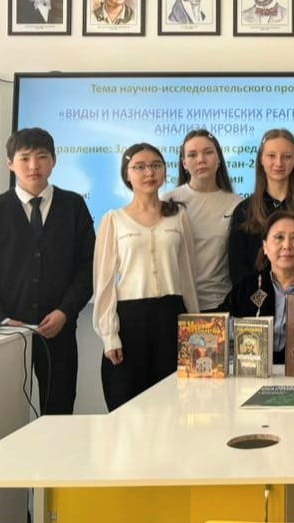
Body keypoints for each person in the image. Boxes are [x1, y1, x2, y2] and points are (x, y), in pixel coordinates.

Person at [0, 128, 95, 415]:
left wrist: (65, 311)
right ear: (10, 164)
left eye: (42, 157)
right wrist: (0, 319)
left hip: (59, 330)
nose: (33, 166)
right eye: (24, 158)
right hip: (6, 334)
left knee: (59, 409)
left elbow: (88, 267)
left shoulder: (73, 206)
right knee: (2, 412)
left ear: (54, 161)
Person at [93, 143, 199, 411]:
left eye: (155, 165)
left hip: (172, 317)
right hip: (131, 321)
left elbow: (187, 276)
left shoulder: (178, 216)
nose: (149, 172)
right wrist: (109, 336)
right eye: (139, 167)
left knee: (174, 405)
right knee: (128, 405)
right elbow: (104, 283)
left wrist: (195, 327)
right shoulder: (114, 219)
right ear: (127, 174)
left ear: (164, 171)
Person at [225, 211, 294, 362]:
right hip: (254, 373)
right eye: (279, 237)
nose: (287, 246)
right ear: (265, 246)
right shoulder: (247, 286)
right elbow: (221, 327)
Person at [229, 129, 294, 293]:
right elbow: (238, 268)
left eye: (287, 156)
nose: (279, 163)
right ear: (261, 159)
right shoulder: (244, 210)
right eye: (271, 156)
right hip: (256, 301)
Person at [164, 130, 241, 312]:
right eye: (192, 155)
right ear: (184, 163)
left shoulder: (236, 204)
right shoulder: (168, 202)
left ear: (219, 158)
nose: (201, 160)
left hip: (219, 304)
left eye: (208, 152)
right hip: (177, 304)